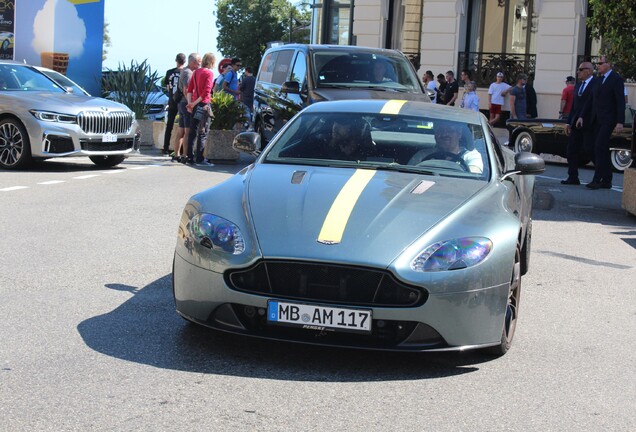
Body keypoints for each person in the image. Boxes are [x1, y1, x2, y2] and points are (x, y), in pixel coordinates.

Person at [579, 55, 625, 190]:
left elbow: (620, 101)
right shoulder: (598, 80)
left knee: (599, 147)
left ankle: (597, 179)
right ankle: (606, 178)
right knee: (592, 147)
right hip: (596, 120)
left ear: (609, 64)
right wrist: (582, 116)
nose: (598, 66)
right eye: (597, 63)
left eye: (600, 63)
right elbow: (590, 100)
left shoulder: (616, 79)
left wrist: (619, 121)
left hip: (608, 120)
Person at [561, 62, 597, 185]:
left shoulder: (596, 84)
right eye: (578, 69)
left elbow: (593, 104)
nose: (578, 72)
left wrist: (583, 117)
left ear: (589, 71)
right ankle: (573, 176)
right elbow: (574, 106)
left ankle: (601, 176)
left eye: (581, 70)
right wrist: (568, 122)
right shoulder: (578, 85)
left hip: (589, 123)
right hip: (575, 122)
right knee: (571, 149)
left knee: (590, 149)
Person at [409, 121, 483, 173]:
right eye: (440, 131)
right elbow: (407, 173)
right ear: (435, 135)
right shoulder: (422, 155)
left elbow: (473, 178)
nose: (444, 134)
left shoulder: (471, 156)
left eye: (450, 130)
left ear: (459, 134)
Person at [185, 52, 216, 166]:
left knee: (193, 131)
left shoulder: (196, 72)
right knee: (203, 131)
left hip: (194, 105)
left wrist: (190, 103)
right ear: (212, 62)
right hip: (203, 105)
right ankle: (200, 158)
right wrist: (194, 103)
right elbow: (206, 92)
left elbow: (190, 89)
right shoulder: (209, 73)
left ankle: (189, 156)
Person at [174, 53, 201, 163]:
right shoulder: (188, 73)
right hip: (186, 104)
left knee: (181, 131)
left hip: (182, 104)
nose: (199, 65)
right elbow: (187, 90)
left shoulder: (184, 71)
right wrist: (191, 104)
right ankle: (185, 155)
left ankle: (177, 154)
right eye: (198, 62)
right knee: (187, 132)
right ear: (193, 62)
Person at [161, 53, 185, 155]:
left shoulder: (169, 72)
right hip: (182, 101)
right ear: (184, 61)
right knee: (183, 126)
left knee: (169, 126)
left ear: (176, 60)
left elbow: (167, 86)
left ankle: (166, 147)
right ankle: (182, 149)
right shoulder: (185, 72)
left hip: (172, 101)